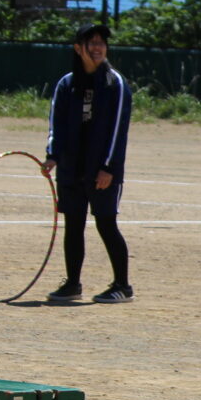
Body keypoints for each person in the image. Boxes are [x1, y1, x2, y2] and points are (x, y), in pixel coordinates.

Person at [43, 22, 133, 303]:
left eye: (101, 43)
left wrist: (108, 168)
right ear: (78, 48)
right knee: (73, 224)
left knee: (106, 224)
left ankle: (122, 286)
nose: (97, 48)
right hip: (72, 167)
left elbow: (118, 130)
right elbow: (55, 124)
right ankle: (72, 283)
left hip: (102, 170)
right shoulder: (67, 84)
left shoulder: (115, 84)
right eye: (91, 42)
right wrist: (52, 156)